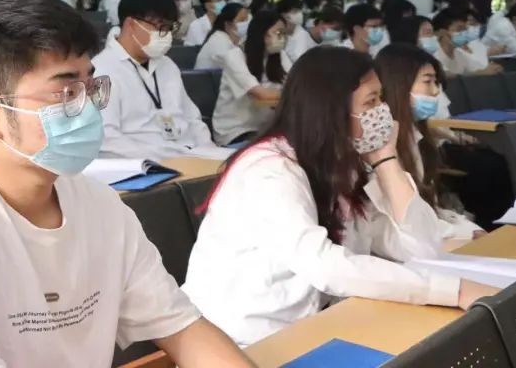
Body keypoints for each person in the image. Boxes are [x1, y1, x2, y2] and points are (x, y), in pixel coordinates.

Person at [0, 0, 252, 367]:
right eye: (66, 91)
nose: (87, 109)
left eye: (89, 88)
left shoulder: (101, 207)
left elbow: (183, 330)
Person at [182, 46, 495, 346]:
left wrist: (386, 160)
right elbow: (327, 267)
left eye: (381, 100)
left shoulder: (341, 164)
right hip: (244, 340)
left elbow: (420, 247)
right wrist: (452, 291)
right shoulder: (269, 170)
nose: (383, 112)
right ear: (331, 110)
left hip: (312, 325)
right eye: (371, 102)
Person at [374, 44, 502, 239]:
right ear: (399, 85)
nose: (435, 91)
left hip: (431, 229)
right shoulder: (383, 144)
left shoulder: (416, 134)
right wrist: (462, 233)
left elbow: (429, 208)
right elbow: (405, 220)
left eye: (436, 83)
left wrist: (467, 229)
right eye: (428, 82)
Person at [93, 0, 233, 161]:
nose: (166, 36)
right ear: (131, 25)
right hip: (145, 164)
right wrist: (169, 158)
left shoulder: (167, 65)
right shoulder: (101, 71)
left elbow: (193, 119)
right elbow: (107, 139)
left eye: (169, 28)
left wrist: (208, 151)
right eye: (160, 27)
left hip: (190, 155)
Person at [196, 7, 287, 146]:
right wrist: (291, 94)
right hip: (237, 131)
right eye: (278, 33)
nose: (282, 38)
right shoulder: (234, 57)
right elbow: (261, 95)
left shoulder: (280, 56)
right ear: (262, 33)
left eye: (284, 34)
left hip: (264, 128)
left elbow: (296, 84)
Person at [431, 8, 502, 76]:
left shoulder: (460, 54)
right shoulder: (433, 55)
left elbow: (478, 68)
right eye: (459, 29)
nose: (464, 33)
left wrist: (492, 69)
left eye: (465, 30)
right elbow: (445, 75)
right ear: (442, 32)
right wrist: (480, 73)